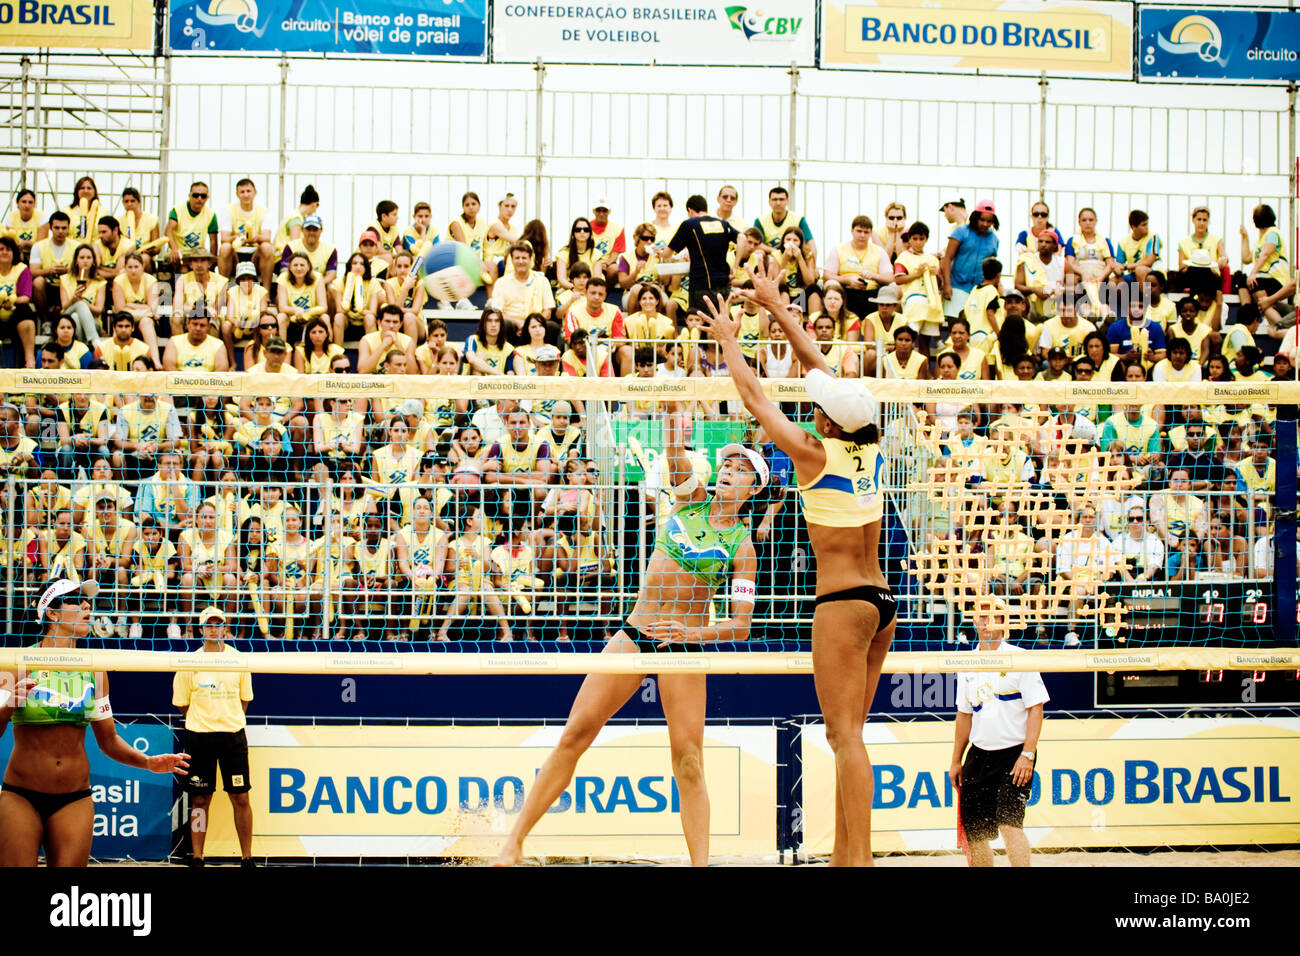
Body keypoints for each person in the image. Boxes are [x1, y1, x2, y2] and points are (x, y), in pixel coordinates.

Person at [493, 401, 764, 867]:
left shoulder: (743, 546)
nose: (730, 471)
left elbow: (741, 627)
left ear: (753, 488)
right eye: (729, 463)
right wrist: (672, 414)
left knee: (688, 760)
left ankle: (701, 865)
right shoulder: (690, 498)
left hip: (684, 647)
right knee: (575, 733)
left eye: (742, 470)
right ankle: (512, 845)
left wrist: (692, 634)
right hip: (636, 632)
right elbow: (675, 453)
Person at [707, 260, 895, 867]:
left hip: (841, 605)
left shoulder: (814, 454)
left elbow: (755, 398)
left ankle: (860, 861)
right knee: (851, 740)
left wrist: (732, 341)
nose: (814, 403)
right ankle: (845, 858)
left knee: (844, 740)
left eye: (819, 405)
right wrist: (778, 309)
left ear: (825, 419)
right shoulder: (868, 445)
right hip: (882, 601)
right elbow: (827, 376)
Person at [0, 578, 189, 866]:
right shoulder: (16, 663)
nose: (87, 604)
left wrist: (148, 762)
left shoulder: (94, 669)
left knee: (68, 901)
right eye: (76, 599)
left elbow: (109, 741)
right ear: (52, 613)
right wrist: (9, 703)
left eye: (88, 599)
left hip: (74, 798)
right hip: (21, 796)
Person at [948, 597, 1048, 868]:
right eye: (981, 615)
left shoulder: (1020, 658)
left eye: (994, 615)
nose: (986, 621)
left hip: (1014, 754)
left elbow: (1036, 709)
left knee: (1010, 824)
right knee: (976, 834)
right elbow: (964, 715)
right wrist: (956, 759)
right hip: (979, 754)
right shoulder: (967, 663)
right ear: (973, 621)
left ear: (1005, 622)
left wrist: (1028, 753)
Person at [173, 606, 255, 867]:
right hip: (200, 736)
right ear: (201, 629)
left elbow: (244, 700)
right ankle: (198, 857)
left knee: (240, 797)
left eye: (218, 624)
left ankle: (247, 857)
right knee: (199, 800)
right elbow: (182, 704)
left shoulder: (238, 659)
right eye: (209, 624)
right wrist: (205, 720)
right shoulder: (190, 662)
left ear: (225, 627)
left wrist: (225, 718)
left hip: (232, 736)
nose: (213, 628)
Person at [667, 194, 739, 315]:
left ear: (690, 210)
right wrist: (736, 266)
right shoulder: (722, 224)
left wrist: (663, 254)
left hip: (701, 286)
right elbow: (742, 238)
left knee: (699, 324)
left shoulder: (689, 224)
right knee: (721, 322)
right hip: (723, 285)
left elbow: (668, 253)